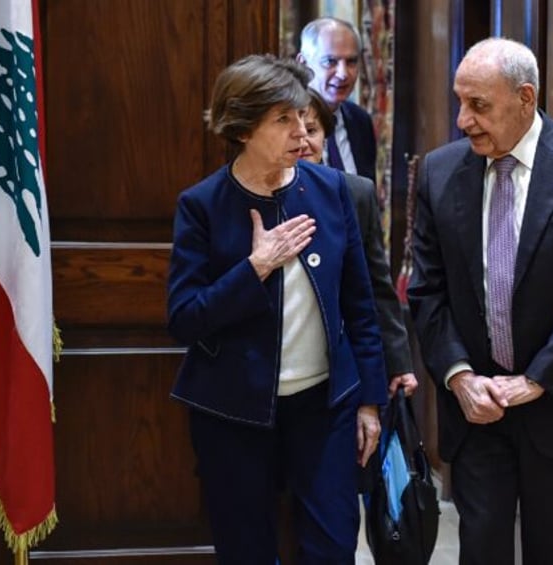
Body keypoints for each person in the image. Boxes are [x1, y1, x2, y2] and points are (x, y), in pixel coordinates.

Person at [408, 37, 553, 564]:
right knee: (482, 550)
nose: (463, 119)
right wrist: (460, 378)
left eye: (479, 106)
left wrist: (536, 379)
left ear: (525, 98)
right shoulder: (441, 173)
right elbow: (426, 290)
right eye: (459, 102)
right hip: (479, 410)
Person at [167, 53, 388, 565]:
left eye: (301, 118)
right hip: (232, 413)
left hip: (325, 408)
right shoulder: (201, 205)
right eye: (283, 119)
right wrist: (256, 267)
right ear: (243, 128)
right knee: (246, 550)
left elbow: (360, 307)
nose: (301, 132)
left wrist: (370, 402)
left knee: (333, 548)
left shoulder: (332, 191)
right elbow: (185, 317)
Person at [301, 88, 417, 398]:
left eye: (311, 130)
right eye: (291, 129)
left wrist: (398, 362)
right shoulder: (251, 196)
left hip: (345, 358)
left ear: (325, 135)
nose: (302, 141)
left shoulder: (355, 193)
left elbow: (377, 285)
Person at [297, 17, 377, 182]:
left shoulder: (360, 121)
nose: (343, 74)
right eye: (330, 62)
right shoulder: (288, 126)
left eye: (351, 62)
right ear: (303, 64)